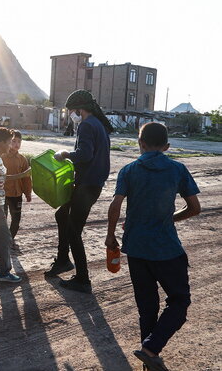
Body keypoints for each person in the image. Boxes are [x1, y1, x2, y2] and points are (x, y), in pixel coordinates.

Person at [106, 122, 200, 371]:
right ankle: (151, 348)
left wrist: (110, 235)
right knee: (179, 302)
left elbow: (115, 206)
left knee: (147, 307)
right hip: (167, 249)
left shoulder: (128, 170)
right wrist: (170, 218)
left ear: (140, 143)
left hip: (136, 249)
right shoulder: (178, 169)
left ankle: (149, 355)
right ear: (167, 146)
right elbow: (195, 208)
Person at [46, 89, 113, 293]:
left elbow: (85, 154)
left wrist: (64, 154)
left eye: (72, 111)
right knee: (61, 215)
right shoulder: (98, 124)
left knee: (74, 231)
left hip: (88, 185)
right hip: (91, 183)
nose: (71, 115)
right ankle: (64, 260)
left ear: (79, 109)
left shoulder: (86, 125)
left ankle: (83, 278)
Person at [0, 127, 29, 283]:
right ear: (1, 143)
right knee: (5, 238)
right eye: (9, 142)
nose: (10, 145)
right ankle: (3, 272)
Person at [2, 130, 32, 245]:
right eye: (14, 141)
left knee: (16, 218)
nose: (16, 144)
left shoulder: (22, 159)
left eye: (19, 142)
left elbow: (26, 178)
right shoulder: (2, 156)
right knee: (2, 218)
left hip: (17, 194)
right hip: (3, 194)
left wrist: (28, 193)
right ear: (8, 142)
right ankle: (3, 238)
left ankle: (10, 237)